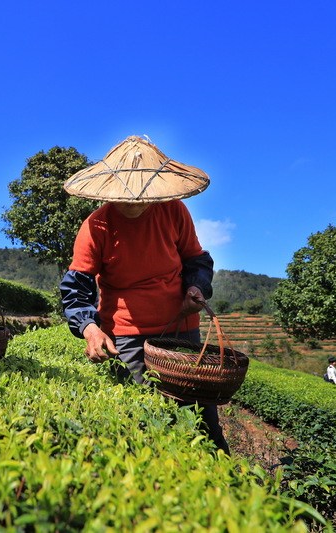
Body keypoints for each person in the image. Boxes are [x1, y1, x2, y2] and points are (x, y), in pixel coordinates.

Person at [59, 135, 229, 453]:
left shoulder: (175, 212)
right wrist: (90, 329)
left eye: (141, 196)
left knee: (202, 419)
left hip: (181, 328)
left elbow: (196, 261)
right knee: (145, 418)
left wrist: (195, 289)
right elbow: (76, 287)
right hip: (126, 337)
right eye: (124, 195)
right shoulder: (96, 226)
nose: (133, 201)